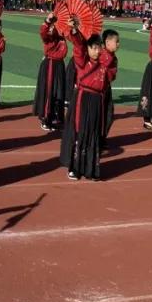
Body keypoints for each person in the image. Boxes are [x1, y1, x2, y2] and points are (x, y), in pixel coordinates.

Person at [60, 32, 107, 180]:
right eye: (93, 48)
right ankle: (74, 167)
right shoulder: (81, 61)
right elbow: (78, 47)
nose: (97, 51)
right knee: (79, 132)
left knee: (92, 133)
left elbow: (112, 73)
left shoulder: (103, 65)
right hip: (82, 98)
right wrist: (75, 32)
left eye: (99, 48)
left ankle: (90, 168)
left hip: (96, 100)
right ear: (87, 48)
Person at [34, 14, 68, 132]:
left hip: (59, 65)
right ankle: (46, 118)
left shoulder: (62, 35)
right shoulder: (50, 35)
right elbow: (43, 34)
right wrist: (47, 21)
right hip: (50, 64)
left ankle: (56, 118)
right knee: (49, 93)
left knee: (59, 93)